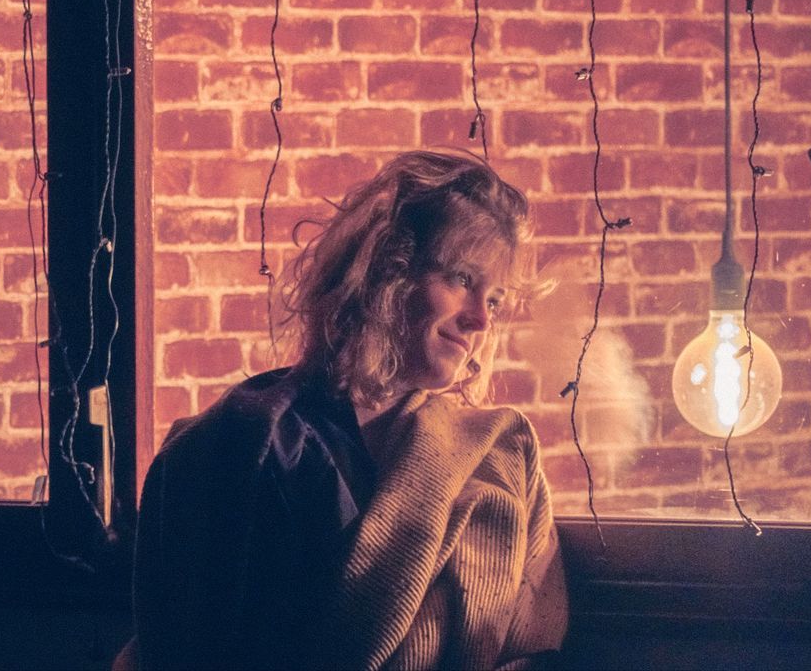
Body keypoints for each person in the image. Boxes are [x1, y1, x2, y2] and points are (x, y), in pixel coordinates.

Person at [129, 150, 568, 670]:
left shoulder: (499, 450)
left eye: (494, 300)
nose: (480, 320)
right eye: (461, 278)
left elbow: (535, 648)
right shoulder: (256, 443)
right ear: (387, 268)